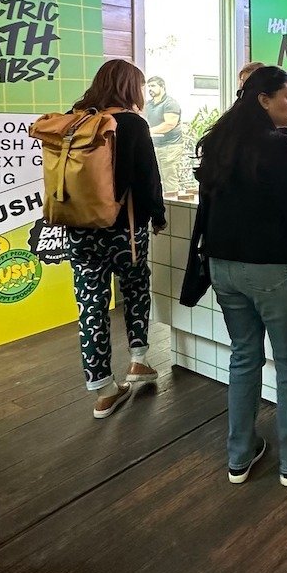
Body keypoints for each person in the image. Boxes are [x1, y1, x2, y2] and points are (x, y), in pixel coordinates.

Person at [194, 66, 287, 486]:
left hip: (223, 267)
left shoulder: (218, 142)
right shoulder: (278, 147)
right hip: (273, 269)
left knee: (243, 356)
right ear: (263, 99)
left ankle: (240, 455)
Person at [67, 59, 165, 419]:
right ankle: (138, 360)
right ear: (129, 88)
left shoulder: (75, 119)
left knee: (91, 305)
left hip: (79, 228)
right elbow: (148, 178)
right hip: (125, 228)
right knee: (136, 288)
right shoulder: (133, 124)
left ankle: (103, 391)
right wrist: (158, 215)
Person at [146, 76, 184, 196]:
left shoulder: (170, 103)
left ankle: (172, 204)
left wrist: (148, 131)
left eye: (153, 86)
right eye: (149, 86)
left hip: (170, 146)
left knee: (169, 178)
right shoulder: (149, 104)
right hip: (155, 145)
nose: (150, 89)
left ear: (162, 87)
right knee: (155, 177)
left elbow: (169, 124)